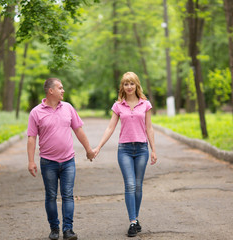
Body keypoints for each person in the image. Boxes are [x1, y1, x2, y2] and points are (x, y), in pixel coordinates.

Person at [27, 78, 95, 240]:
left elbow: (79, 130)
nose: (63, 90)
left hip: (68, 161)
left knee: (68, 195)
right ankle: (54, 229)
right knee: (50, 196)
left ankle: (68, 230)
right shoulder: (36, 112)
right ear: (51, 91)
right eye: (60, 88)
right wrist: (31, 161)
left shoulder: (68, 108)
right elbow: (31, 138)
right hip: (48, 162)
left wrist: (88, 150)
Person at [93, 72, 157, 237]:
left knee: (138, 185)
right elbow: (110, 127)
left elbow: (149, 128)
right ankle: (132, 222)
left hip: (142, 149)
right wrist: (98, 146)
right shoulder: (118, 106)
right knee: (129, 185)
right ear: (122, 87)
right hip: (125, 150)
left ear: (137, 85)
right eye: (126, 84)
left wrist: (153, 150)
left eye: (132, 83)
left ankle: (135, 218)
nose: (129, 87)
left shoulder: (145, 104)